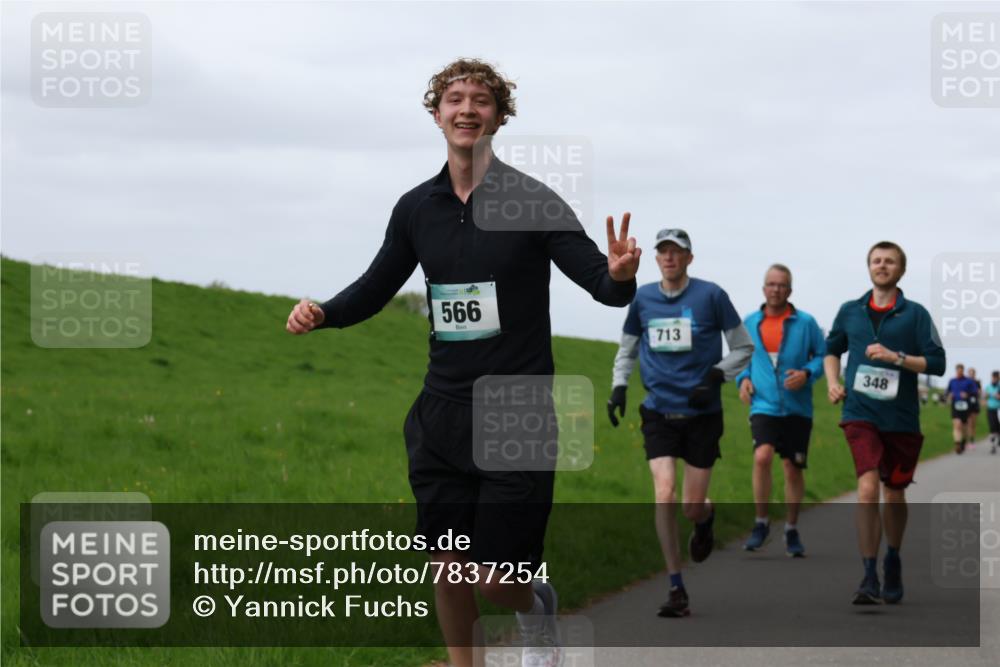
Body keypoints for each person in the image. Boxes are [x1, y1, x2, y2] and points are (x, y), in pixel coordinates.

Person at [286, 58, 641, 667]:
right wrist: (325, 312)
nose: (467, 109)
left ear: (500, 117)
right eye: (455, 99)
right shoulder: (416, 208)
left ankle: (535, 610)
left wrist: (619, 276)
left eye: (481, 100)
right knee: (448, 569)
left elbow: (599, 283)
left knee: (494, 577)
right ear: (437, 114)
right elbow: (377, 285)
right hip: (442, 414)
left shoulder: (532, 200)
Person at [607, 228, 752, 617]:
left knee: (690, 506)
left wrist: (715, 377)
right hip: (658, 412)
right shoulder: (643, 298)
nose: (669, 258)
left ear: (689, 258)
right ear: (656, 259)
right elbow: (627, 348)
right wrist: (619, 387)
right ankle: (675, 586)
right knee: (665, 494)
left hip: (702, 415)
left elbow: (743, 347)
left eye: (677, 252)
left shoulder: (712, 296)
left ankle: (705, 519)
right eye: (663, 252)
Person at [824, 241, 946, 605]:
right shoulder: (850, 311)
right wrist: (832, 381)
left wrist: (897, 357)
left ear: (901, 269)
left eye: (889, 261)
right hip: (860, 414)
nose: (882, 265)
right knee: (866, 489)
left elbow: (937, 363)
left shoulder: (916, 314)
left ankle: (892, 557)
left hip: (901, 418)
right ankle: (868, 574)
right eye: (876, 260)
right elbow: (832, 349)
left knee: (893, 493)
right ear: (868, 267)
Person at [736, 264, 825, 557]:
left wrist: (807, 374)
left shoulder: (806, 323)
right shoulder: (750, 322)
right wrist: (743, 379)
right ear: (764, 288)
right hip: (763, 404)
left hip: (798, 407)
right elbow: (741, 357)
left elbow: (823, 357)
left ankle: (791, 528)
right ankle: (761, 522)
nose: (776, 289)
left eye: (782, 285)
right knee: (762, 457)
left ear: (790, 290)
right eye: (771, 284)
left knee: (792, 468)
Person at [946, 364, 978, 454]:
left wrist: (967, 394)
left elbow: (975, 392)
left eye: (961, 371)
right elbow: (947, 391)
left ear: (963, 371)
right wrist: (949, 395)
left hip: (966, 406)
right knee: (957, 424)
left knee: (964, 426)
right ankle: (957, 443)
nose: (959, 373)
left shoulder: (969, 381)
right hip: (955, 405)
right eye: (958, 371)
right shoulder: (952, 381)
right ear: (956, 371)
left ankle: (963, 440)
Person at [985, 370, 1000, 455]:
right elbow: (985, 396)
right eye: (993, 377)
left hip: (999, 408)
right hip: (991, 409)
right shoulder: (988, 387)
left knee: (998, 427)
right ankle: (993, 446)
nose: (994, 379)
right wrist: (988, 395)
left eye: (996, 377)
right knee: (992, 427)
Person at [967, 367, 983, 448]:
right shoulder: (965, 382)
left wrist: (978, 391)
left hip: (974, 405)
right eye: (970, 373)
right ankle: (966, 441)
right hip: (967, 404)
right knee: (967, 424)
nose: (971, 375)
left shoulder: (977, 382)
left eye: (972, 373)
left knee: (972, 424)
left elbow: (980, 392)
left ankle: (972, 441)